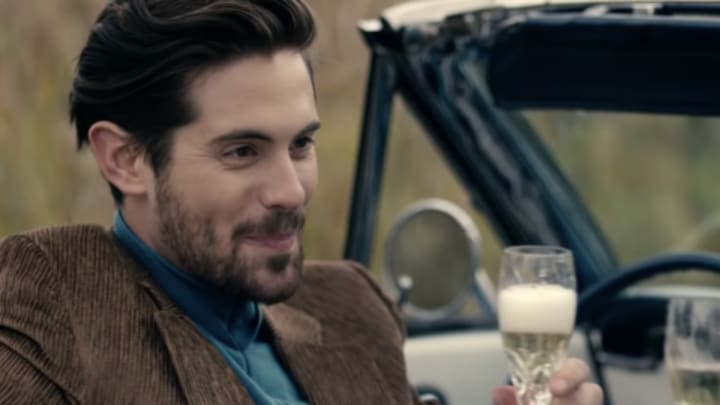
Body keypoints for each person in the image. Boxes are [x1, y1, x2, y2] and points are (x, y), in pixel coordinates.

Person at [0, 0, 602, 404]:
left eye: (301, 144)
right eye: (242, 151)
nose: (290, 190)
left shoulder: (352, 308)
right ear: (125, 159)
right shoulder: (53, 298)